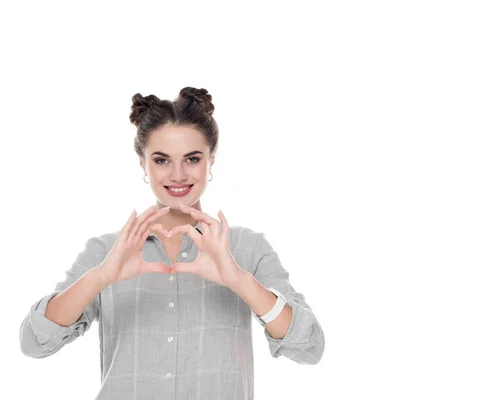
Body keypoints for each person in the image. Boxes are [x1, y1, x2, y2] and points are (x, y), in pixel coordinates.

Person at [19, 87, 325, 399]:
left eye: (192, 158)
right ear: (143, 164)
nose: (177, 175)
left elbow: (309, 346)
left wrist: (238, 280)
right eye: (162, 160)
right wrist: (101, 277)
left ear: (211, 160)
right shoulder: (106, 252)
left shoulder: (248, 248)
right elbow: (34, 342)